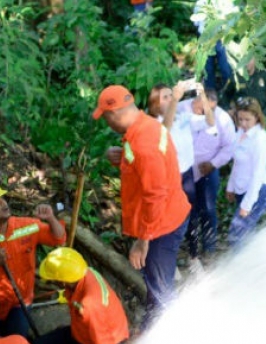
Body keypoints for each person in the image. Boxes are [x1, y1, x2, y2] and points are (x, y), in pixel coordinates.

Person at [94, 84, 191, 327]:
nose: (106, 123)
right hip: (167, 216)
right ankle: (158, 324)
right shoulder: (145, 126)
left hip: (162, 225)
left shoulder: (143, 144)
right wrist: (121, 156)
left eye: (105, 117)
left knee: (160, 289)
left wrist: (143, 240)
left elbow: (155, 194)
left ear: (115, 114)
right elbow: (148, 168)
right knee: (158, 283)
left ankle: (166, 333)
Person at [0, 179, 65, 339]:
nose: (2, 203)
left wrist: (50, 218)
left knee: (16, 341)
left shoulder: (26, 226)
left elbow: (58, 238)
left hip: (19, 303)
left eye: (2, 198)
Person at [188, 87, 237, 266]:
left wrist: (213, 164)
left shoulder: (223, 120)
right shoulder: (183, 109)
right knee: (188, 210)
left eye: (210, 108)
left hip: (208, 169)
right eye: (201, 107)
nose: (204, 111)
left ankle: (208, 247)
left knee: (208, 209)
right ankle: (191, 251)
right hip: (185, 170)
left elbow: (229, 148)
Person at [147, 82, 196, 244]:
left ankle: (191, 254)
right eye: (165, 97)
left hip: (188, 173)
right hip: (171, 178)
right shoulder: (153, 123)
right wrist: (175, 99)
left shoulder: (181, 116)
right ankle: (168, 255)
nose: (169, 100)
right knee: (172, 219)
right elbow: (164, 131)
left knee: (189, 214)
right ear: (155, 103)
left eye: (170, 96)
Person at [225, 97, 266, 250]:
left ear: (257, 117)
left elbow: (257, 175)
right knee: (245, 236)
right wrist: (231, 187)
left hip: (257, 192)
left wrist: (247, 204)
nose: (244, 124)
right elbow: (238, 163)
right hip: (241, 189)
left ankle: (242, 269)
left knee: (236, 234)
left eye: (247, 120)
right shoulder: (240, 132)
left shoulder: (260, 139)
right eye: (240, 119)